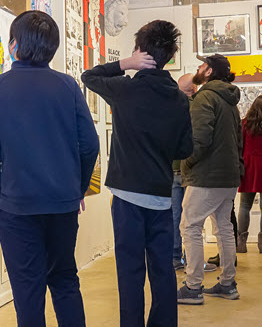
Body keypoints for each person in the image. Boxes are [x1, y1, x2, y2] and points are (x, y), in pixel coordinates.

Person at [0, 11, 98, 327]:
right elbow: (90, 145)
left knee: (28, 289)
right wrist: (77, 189)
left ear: (14, 44)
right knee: (64, 279)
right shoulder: (69, 86)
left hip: (16, 206)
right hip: (62, 202)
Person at [82, 20, 193, 327]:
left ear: (141, 50)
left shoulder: (125, 89)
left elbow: (88, 75)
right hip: (160, 194)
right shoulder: (180, 99)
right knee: (162, 270)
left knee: (130, 272)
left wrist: (125, 63)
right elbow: (185, 149)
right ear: (169, 56)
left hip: (127, 195)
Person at [177, 54, 243, 305]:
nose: (198, 67)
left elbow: (199, 140)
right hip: (228, 176)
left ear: (209, 72)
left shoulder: (205, 97)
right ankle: (227, 283)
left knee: (190, 226)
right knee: (224, 227)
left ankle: (193, 287)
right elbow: (238, 140)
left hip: (207, 176)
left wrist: (186, 162)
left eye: (202, 65)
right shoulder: (229, 100)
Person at [238, 95, 262, 254]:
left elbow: (240, 146)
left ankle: (241, 243)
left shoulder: (245, 124)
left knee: (244, 206)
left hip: (248, 166)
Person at [171, 74, 200, 271]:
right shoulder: (200, 108)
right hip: (191, 169)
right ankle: (192, 259)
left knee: (175, 215)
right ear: (195, 90)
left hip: (173, 169)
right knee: (192, 219)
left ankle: (175, 256)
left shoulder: (169, 107)